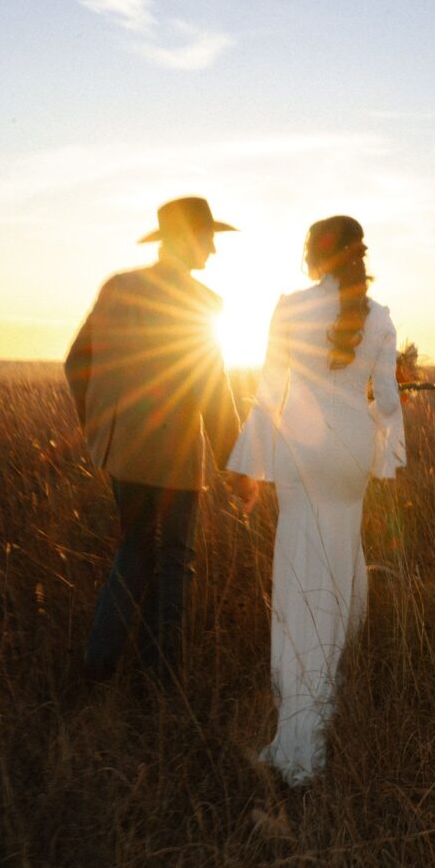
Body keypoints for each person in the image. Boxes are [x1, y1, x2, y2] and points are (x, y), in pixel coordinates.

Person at [227, 215, 405, 784]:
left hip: (305, 447)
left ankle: (303, 727)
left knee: (304, 573)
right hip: (350, 449)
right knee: (340, 560)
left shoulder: (290, 308)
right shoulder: (379, 318)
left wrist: (251, 464)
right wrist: (384, 451)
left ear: (314, 254)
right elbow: (389, 401)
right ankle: (334, 689)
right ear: (359, 255)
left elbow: (271, 391)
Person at [65, 196, 258, 685]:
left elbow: (75, 363)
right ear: (188, 239)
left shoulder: (118, 288)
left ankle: (97, 666)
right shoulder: (203, 304)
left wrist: (100, 428)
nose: (213, 250)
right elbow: (213, 393)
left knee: (134, 549)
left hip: (123, 453)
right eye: (209, 238)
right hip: (173, 460)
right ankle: (162, 680)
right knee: (173, 562)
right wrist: (238, 469)